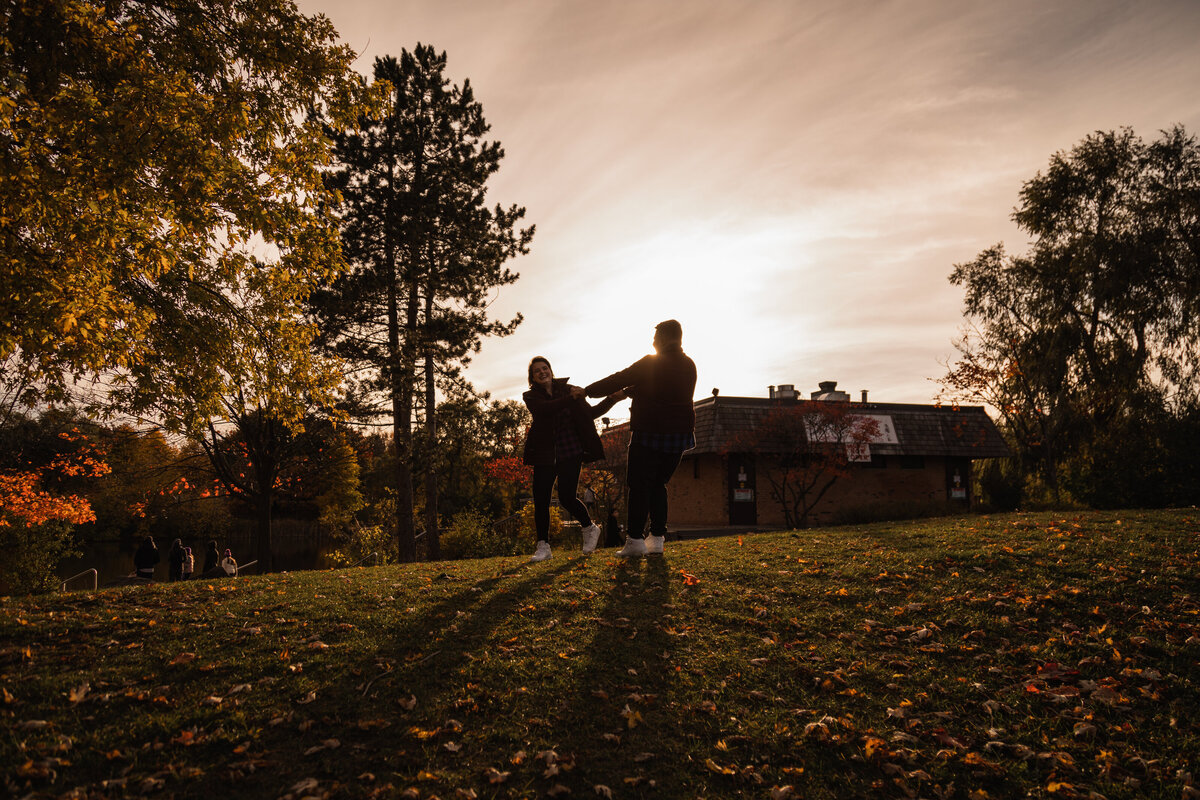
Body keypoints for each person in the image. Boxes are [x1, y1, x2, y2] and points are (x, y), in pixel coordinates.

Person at [585, 319, 696, 557]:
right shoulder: (689, 365)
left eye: (655, 337)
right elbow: (662, 387)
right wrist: (628, 392)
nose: (652, 341)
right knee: (658, 484)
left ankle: (635, 539)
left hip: (649, 433)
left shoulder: (650, 363)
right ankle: (657, 538)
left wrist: (586, 391)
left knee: (638, 485)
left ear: (665, 338)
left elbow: (618, 377)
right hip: (678, 436)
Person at [522, 356, 625, 562]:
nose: (542, 372)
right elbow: (546, 410)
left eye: (545, 368)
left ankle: (589, 528)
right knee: (541, 500)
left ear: (551, 370)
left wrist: (612, 399)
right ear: (532, 377)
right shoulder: (531, 396)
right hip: (545, 454)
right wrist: (574, 396)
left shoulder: (570, 390)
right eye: (537, 371)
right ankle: (543, 546)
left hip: (571, 450)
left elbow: (591, 413)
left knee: (567, 498)